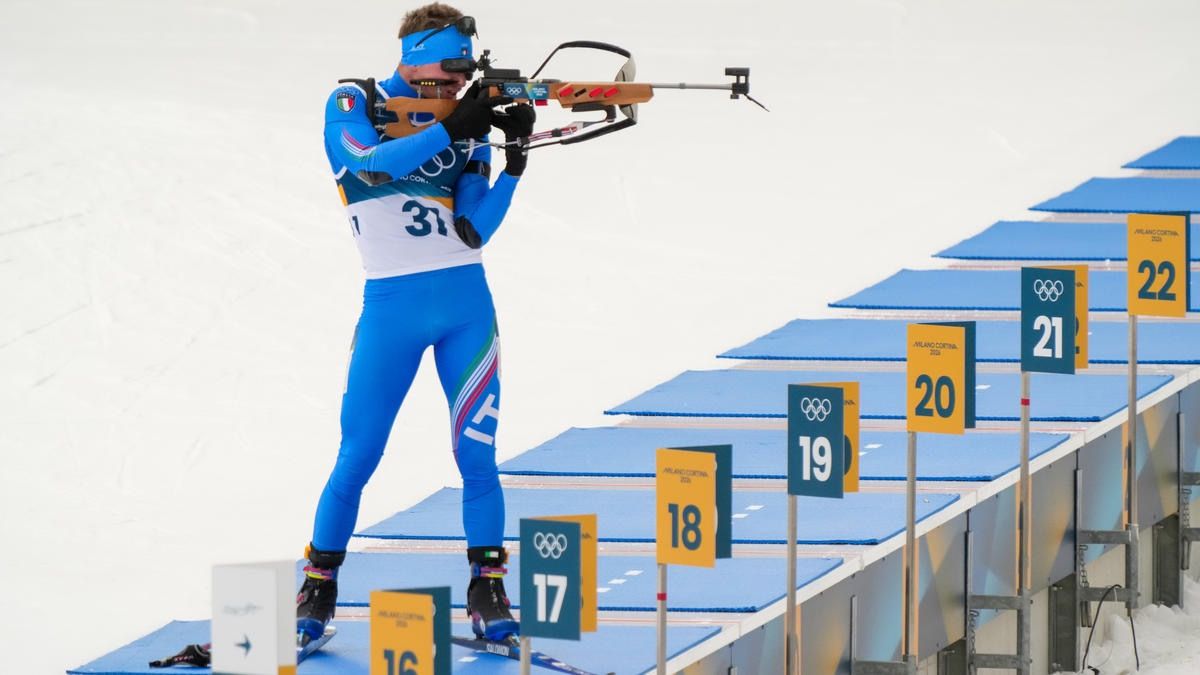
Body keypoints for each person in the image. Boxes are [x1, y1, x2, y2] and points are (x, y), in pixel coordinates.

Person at [295, 2, 535, 646]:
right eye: (451, 72)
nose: (459, 84)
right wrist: (454, 125)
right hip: (391, 310)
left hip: (467, 308)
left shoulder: (464, 124)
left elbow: (473, 228)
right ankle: (317, 587)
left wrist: (513, 159)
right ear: (419, 61)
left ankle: (488, 590)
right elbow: (369, 164)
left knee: (477, 454)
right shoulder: (355, 102)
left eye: (465, 76)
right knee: (359, 454)